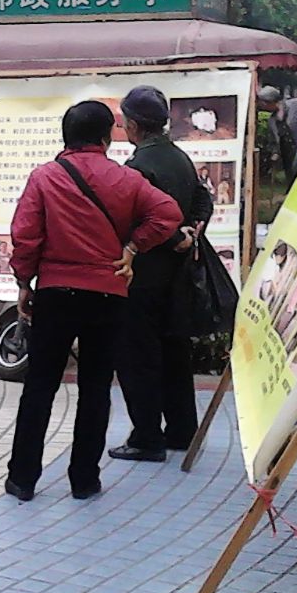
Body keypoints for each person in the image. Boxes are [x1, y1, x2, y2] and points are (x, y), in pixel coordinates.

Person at [4, 100, 182, 502]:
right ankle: (84, 480)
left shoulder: (45, 177)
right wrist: (133, 247)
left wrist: (24, 282)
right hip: (108, 294)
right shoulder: (126, 178)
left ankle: (23, 479)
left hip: (55, 293)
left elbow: (26, 235)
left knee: (40, 387)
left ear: (65, 136)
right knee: (96, 389)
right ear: (107, 138)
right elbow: (167, 213)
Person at [109, 87, 214, 462]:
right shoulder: (179, 157)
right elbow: (203, 199)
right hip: (178, 274)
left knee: (138, 355)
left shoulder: (137, 166)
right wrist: (190, 233)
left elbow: (137, 218)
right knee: (174, 350)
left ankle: (146, 438)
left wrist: (171, 238)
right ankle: (182, 430)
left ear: (133, 125)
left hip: (144, 273)